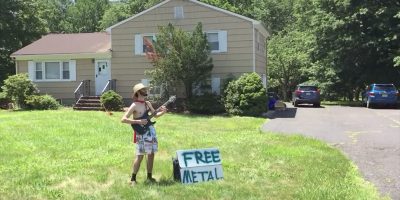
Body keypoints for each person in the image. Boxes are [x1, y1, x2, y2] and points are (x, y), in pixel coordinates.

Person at [121, 83, 167, 185]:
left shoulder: (148, 103)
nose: (145, 91)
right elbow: (123, 119)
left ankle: (149, 177)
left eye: (145, 90)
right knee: (140, 155)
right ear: (138, 92)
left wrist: (163, 112)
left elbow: (155, 115)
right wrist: (138, 122)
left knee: (151, 154)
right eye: (143, 90)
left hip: (151, 131)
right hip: (141, 133)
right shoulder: (134, 105)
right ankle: (133, 179)